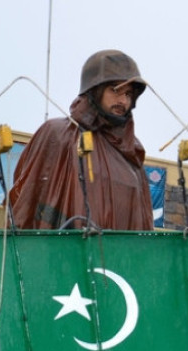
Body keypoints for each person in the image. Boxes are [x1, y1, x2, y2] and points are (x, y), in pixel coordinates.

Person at [9, 49, 154, 231]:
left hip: (117, 258)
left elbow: (143, 226)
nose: (123, 101)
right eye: (116, 90)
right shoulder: (58, 134)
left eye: (128, 94)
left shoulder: (131, 154)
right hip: (62, 254)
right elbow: (26, 203)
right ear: (95, 90)